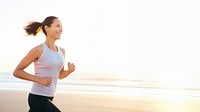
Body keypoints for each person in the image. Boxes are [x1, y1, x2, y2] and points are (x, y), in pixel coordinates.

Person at [13, 16, 75, 112]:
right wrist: (39, 79)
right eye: (58, 26)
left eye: (61, 27)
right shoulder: (39, 50)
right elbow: (17, 72)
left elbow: (60, 75)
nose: (61, 29)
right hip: (37, 97)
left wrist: (70, 71)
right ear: (47, 28)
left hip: (50, 97)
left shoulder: (62, 51)